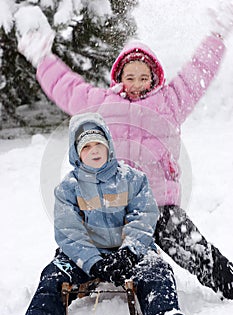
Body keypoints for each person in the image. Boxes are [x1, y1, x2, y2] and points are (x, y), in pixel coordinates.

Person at [14, 4, 233, 299]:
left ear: (155, 78)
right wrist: (42, 59)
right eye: (130, 77)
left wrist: (217, 36)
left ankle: (228, 281)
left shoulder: (170, 102)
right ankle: (60, 289)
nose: (137, 84)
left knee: (191, 245)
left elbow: (197, 72)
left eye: (144, 77)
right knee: (85, 242)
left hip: (158, 204)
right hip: (110, 206)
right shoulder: (102, 104)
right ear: (119, 77)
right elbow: (67, 87)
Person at [9, 112, 186, 315]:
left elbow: (143, 218)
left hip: (128, 251)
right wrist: (93, 262)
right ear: (77, 153)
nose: (94, 150)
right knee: (53, 275)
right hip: (84, 256)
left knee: (156, 269)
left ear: (109, 146)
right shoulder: (68, 188)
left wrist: (130, 252)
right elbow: (69, 231)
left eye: (98, 144)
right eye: (86, 146)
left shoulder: (132, 179)